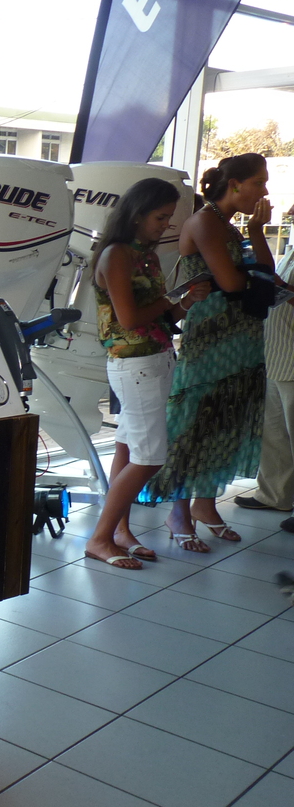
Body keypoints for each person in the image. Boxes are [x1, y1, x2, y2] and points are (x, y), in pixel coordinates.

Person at [144, 153, 275, 551]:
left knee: (226, 420)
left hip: (242, 338)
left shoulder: (231, 226)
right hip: (212, 340)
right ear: (234, 184)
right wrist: (257, 281)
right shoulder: (204, 221)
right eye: (259, 182)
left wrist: (256, 231)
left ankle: (205, 504)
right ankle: (179, 511)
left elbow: (265, 271)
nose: (264, 190)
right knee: (196, 421)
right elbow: (233, 284)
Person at [85, 179, 209, 569]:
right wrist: (173, 298)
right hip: (134, 364)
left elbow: (163, 318)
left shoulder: (147, 256)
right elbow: (130, 319)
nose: (166, 225)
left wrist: (186, 301)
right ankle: (100, 538)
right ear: (137, 214)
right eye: (160, 217)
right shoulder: (116, 255)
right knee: (150, 457)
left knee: (128, 448)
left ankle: (120, 532)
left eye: (169, 218)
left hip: (155, 359)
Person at [236, 208, 294, 528]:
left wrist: (278, 285)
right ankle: (274, 494)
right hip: (277, 355)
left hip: (292, 361)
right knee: (274, 435)